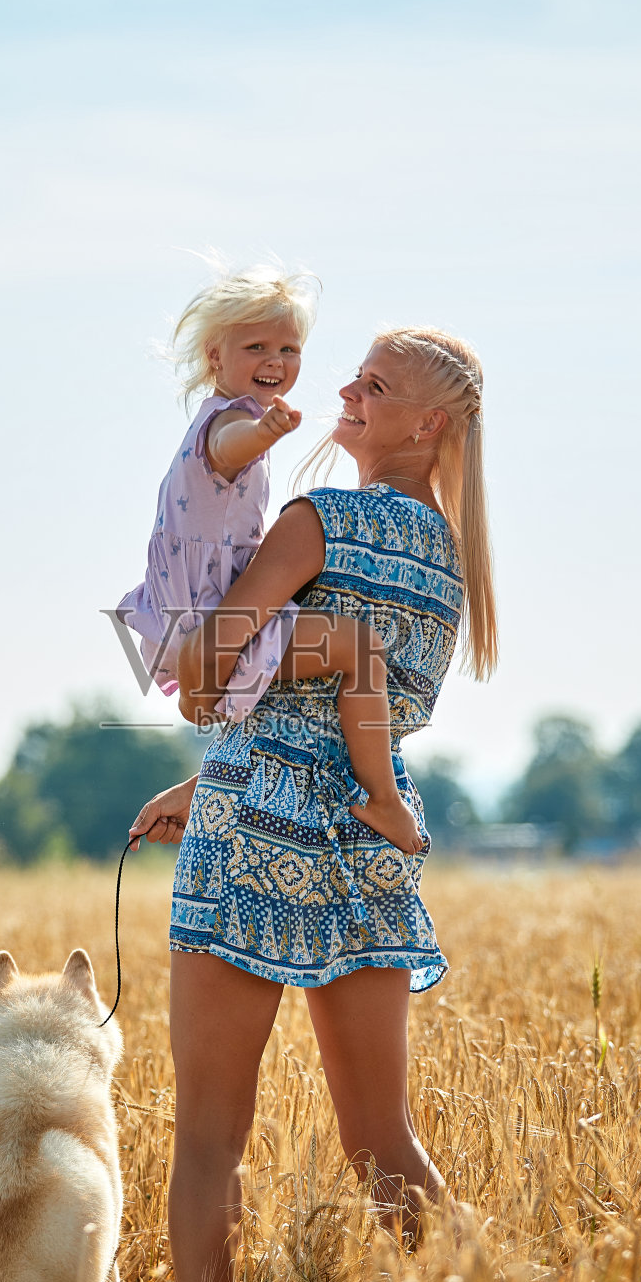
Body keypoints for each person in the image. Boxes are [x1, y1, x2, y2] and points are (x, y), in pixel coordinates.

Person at [129, 327, 498, 1282]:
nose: (343, 387)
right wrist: (205, 769)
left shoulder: (318, 517)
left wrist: (206, 694)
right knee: (384, 1141)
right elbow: (357, 705)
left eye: (372, 385)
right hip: (372, 832)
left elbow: (207, 676)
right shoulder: (451, 563)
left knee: (207, 1136)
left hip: (253, 821)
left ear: (427, 423)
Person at [117, 264, 423, 853]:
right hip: (209, 619)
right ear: (215, 357)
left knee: (327, 665)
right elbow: (229, 448)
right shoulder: (229, 422)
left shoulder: (224, 418)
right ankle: (383, 800)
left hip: (188, 616)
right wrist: (266, 434)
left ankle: (216, 757)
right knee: (360, 649)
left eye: (289, 347)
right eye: (255, 346)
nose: (275, 360)